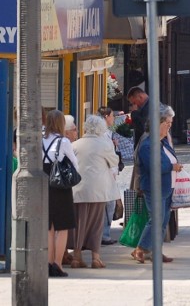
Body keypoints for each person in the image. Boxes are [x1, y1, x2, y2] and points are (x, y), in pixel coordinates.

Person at [131, 104, 183, 264]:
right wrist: (172, 166)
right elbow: (154, 165)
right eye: (167, 122)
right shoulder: (148, 143)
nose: (169, 125)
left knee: (162, 221)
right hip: (154, 187)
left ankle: (155, 252)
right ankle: (140, 249)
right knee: (156, 219)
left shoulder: (162, 141)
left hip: (167, 187)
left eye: (170, 123)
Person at [70, 115, 120, 269]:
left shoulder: (75, 144)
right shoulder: (104, 144)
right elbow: (114, 161)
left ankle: (77, 256)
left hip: (78, 189)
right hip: (98, 190)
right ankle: (95, 258)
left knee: (80, 223)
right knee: (97, 224)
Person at [43, 109, 79, 277]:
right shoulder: (63, 142)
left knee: (49, 227)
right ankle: (58, 264)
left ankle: (48, 263)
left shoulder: (39, 140)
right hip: (60, 187)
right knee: (62, 227)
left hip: (44, 186)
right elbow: (74, 164)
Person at [97, 106, 120, 246]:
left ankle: (103, 233)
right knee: (108, 205)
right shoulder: (104, 134)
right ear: (106, 117)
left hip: (106, 173)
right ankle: (104, 234)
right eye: (112, 116)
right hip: (107, 174)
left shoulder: (106, 134)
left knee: (107, 205)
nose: (113, 119)